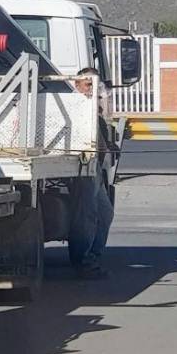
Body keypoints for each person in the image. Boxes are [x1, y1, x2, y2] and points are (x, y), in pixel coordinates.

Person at [68, 68, 115, 279]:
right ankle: (82, 260)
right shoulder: (74, 108)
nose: (93, 91)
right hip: (83, 165)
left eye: (97, 87)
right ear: (77, 86)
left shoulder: (93, 109)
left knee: (104, 213)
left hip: (96, 165)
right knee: (86, 214)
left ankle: (93, 256)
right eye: (88, 85)